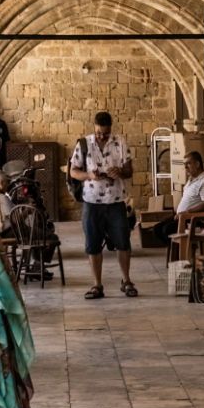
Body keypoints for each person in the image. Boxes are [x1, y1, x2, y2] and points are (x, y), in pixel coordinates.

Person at [70, 110, 135, 299]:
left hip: (115, 201)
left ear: (111, 129)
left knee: (123, 242)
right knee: (93, 243)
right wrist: (90, 175)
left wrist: (120, 172)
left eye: (105, 133)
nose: (101, 136)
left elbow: (129, 170)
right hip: (91, 201)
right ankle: (97, 285)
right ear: (94, 128)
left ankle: (126, 280)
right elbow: (73, 171)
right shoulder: (84, 143)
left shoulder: (120, 143)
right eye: (98, 132)